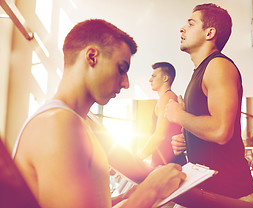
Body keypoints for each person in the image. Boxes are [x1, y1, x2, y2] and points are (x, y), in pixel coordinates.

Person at [12, 19, 186, 208]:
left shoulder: (80, 121)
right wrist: (150, 190)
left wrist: (120, 199)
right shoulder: (58, 124)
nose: (126, 83)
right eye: (121, 69)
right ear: (92, 57)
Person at [165, 3, 253, 202]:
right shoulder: (200, 71)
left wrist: (178, 115)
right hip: (206, 188)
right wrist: (187, 138)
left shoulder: (218, 66)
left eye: (191, 24)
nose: (182, 28)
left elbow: (220, 131)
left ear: (209, 33)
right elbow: (207, 127)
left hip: (230, 193)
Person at [138, 62, 187, 166]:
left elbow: (159, 135)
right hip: (168, 160)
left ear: (165, 78)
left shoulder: (166, 98)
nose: (150, 80)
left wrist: (137, 159)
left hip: (168, 162)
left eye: (154, 76)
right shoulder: (168, 97)